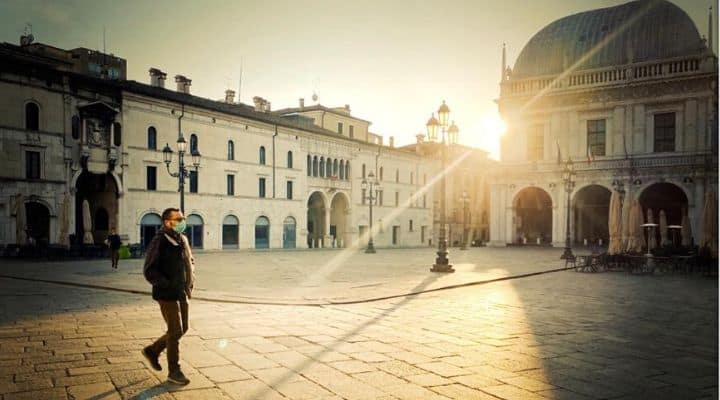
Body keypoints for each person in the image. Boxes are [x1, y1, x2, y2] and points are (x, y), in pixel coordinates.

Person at [141, 208, 195, 385]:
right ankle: (174, 371)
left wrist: (190, 281)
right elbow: (149, 270)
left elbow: (190, 260)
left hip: (182, 291)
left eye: (183, 219)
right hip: (167, 294)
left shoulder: (182, 239)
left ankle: (153, 350)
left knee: (183, 328)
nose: (182, 222)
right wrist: (167, 283)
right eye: (178, 219)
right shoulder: (159, 240)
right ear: (167, 222)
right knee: (175, 331)